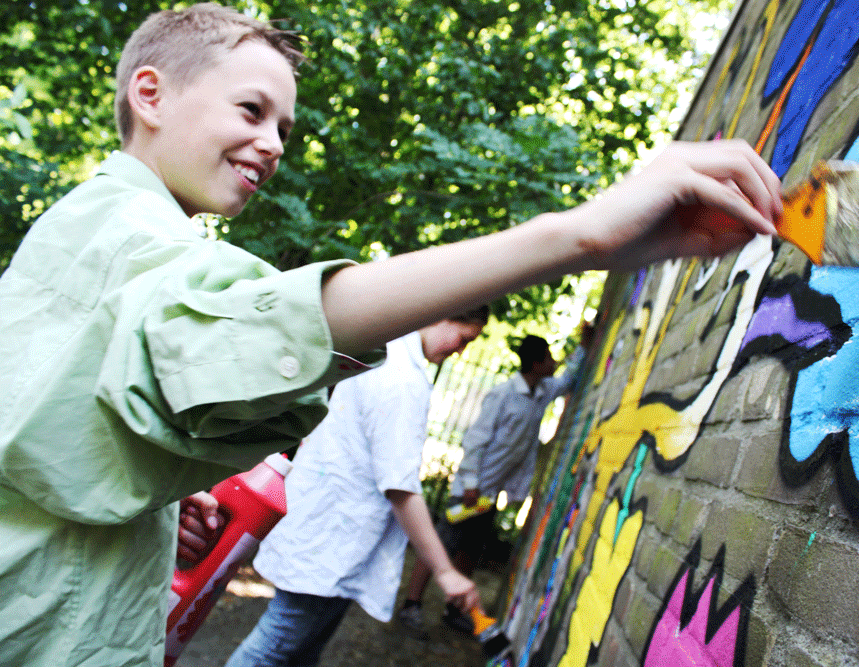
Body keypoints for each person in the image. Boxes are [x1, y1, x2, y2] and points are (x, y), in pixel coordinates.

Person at [0, 3, 782, 665]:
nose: (274, 142)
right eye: (251, 110)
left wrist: (167, 504)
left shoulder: (94, 234)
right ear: (151, 95)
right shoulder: (131, 234)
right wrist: (577, 237)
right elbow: (253, 323)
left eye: (283, 125)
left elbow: (69, 429)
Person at [224, 307, 488, 666]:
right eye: (464, 339)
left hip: (330, 533)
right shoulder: (402, 380)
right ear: (444, 315)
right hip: (335, 540)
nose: (460, 351)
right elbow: (400, 488)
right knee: (276, 648)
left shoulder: (384, 352)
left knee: (299, 652)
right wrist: (445, 571)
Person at [398, 332, 586, 635]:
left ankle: (454, 609)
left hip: (490, 494)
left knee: (470, 550)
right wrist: (471, 483)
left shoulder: (542, 391)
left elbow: (567, 381)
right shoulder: (504, 394)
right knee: (442, 545)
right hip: (469, 492)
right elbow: (475, 440)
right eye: (549, 358)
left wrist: (584, 346)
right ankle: (412, 604)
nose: (553, 363)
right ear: (536, 363)